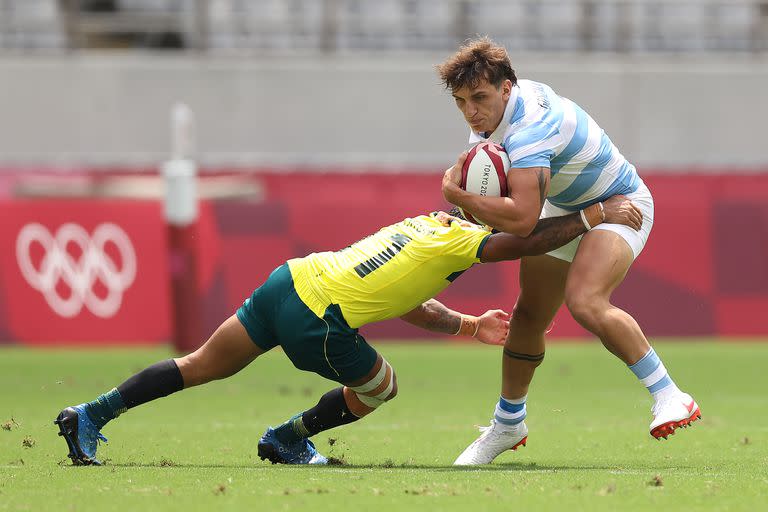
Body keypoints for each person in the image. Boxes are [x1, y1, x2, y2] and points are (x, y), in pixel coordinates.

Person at [54, 198, 640, 466]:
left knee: (202, 363)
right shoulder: (464, 238)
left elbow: (407, 298)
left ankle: (91, 413)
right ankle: (288, 436)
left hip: (291, 280)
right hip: (319, 317)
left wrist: (466, 325)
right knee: (382, 386)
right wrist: (595, 216)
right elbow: (530, 241)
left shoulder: (425, 224)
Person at [437, 37, 701, 466]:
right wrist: (461, 210)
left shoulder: (530, 131)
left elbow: (521, 221)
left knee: (585, 301)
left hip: (622, 204)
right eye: (461, 100)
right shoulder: (495, 114)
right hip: (566, 204)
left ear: (507, 88)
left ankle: (671, 396)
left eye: (479, 97)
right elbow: (507, 198)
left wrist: (454, 194)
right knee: (528, 316)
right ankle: (508, 424)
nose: (471, 111)